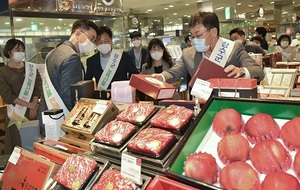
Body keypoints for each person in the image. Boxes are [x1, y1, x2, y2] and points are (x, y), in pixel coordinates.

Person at [153, 11, 265, 86]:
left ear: (213, 32)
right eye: (192, 36)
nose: (195, 40)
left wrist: (241, 71)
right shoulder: (188, 54)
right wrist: (161, 77)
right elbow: (174, 73)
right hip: (202, 105)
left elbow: (258, 72)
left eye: (198, 35)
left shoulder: (233, 48)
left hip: (229, 106)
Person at [39, 19, 99, 136]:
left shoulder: (52, 53)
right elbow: (71, 97)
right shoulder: (72, 57)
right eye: (91, 38)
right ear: (77, 33)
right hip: (62, 122)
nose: (92, 44)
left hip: (47, 117)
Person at [0, 39, 42, 153]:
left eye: (23, 50)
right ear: (9, 52)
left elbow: (38, 86)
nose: (21, 52)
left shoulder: (31, 68)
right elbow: (7, 95)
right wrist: (29, 105)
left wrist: (34, 104)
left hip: (33, 112)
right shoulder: (3, 72)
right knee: (18, 143)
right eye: (17, 50)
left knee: (35, 142)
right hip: (15, 113)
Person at [85, 26, 139, 90]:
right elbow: (87, 82)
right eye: (100, 42)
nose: (103, 44)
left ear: (111, 40)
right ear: (95, 43)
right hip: (103, 98)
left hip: (122, 95)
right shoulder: (91, 61)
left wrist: (129, 88)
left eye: (106, 41)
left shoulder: (122, 56)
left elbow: (135, 75)